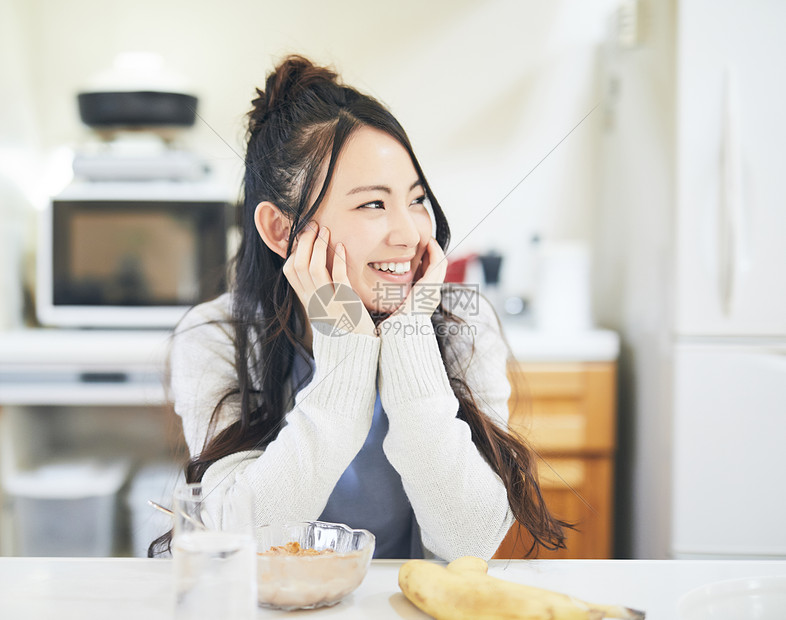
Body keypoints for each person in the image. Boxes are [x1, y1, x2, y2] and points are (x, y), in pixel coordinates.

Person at [155, 54, 567, 560]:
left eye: (415, 200)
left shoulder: (462, 324)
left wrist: (409, 332)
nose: (411, 232)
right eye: (373, 204)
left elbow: (469, 543)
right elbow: (237, 542)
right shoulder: (216, 335)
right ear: (283, 230)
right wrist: (343, 340)